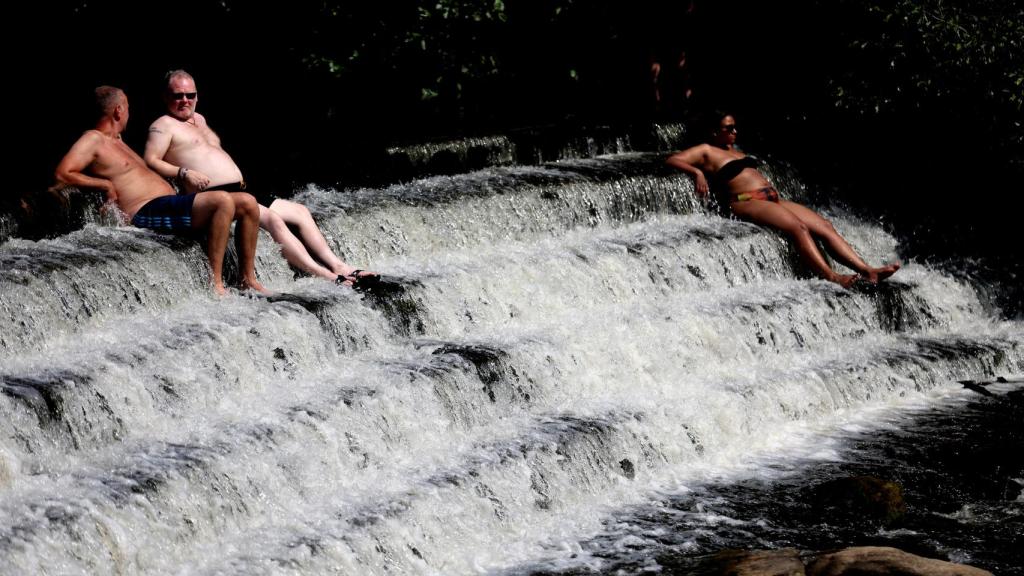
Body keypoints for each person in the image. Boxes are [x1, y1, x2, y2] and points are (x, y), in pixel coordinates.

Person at [144, 69, 375, 286]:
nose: (185, 100)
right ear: (165, 96)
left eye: (190, 95)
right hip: (217, 197)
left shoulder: (200, 120)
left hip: (242, 189)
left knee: (299, 211)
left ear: (197, 96)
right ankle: (326, 275)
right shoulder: (163, 125)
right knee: (274, 220)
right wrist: (184, 173)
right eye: (178, 95)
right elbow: (151, 160)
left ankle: (341, 266)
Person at [55, 86, 269, 296]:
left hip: (167, 205)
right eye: (127, 107)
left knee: (247, 202)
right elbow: (63, 173)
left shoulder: (119, 142)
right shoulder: (93, 139)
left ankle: (247, 279)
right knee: (221, 200)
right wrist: (105, 185)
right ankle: (215, 285)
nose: (129, 112)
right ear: (118, 110)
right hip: (145, 212)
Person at [666, 112, 900, 287]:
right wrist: (697, 173)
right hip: (745, 201)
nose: (735, 132)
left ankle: (868, 270)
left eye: (736, 127)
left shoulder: (735, 150)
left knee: (825, 227)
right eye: (729, 128)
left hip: (772, 199)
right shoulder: (706, 150)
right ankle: (832, 277)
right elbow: (674, 160)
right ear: (714, 131)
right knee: (798, 228)